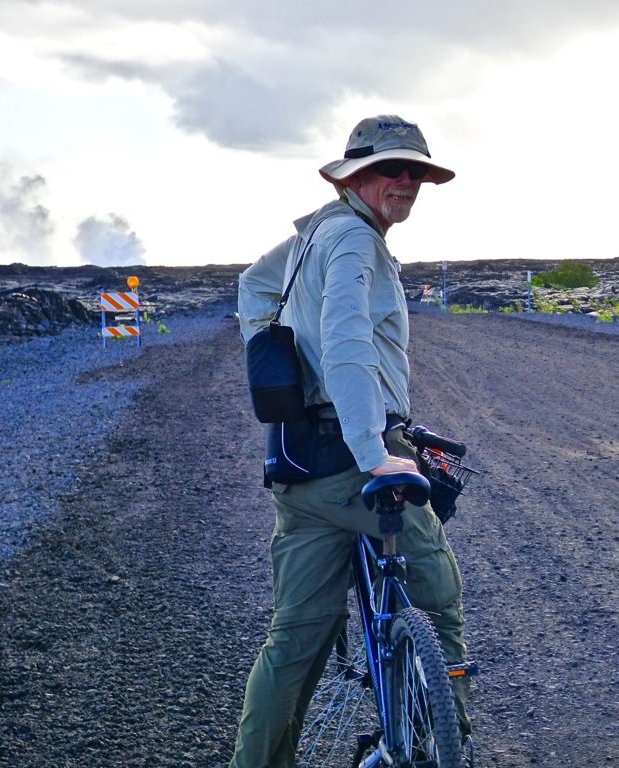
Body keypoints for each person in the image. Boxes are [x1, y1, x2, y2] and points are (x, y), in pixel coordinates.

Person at [230, 115, 470, 767]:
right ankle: (448, 746)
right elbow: (346, 343)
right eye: (391, 168)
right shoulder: (355, 241)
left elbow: (253, 286)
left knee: (294, 642)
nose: (406, 181)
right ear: (355, 176)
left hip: (301, 467)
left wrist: (277, 353)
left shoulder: (319, 234)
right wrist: (374, 452)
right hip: (352, 468)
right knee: (438, 596)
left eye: (416, 170)